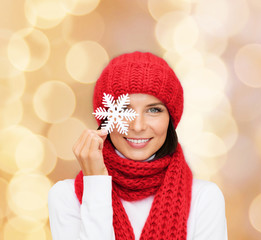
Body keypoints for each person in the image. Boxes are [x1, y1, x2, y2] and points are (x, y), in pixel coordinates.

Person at [48, 51, 228, 240]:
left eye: (153, 110)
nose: (138, 126)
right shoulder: (66, 196)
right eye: (125, 109)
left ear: (170, 119)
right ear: (105, 118)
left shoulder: (204, 199)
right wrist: (96, 183)